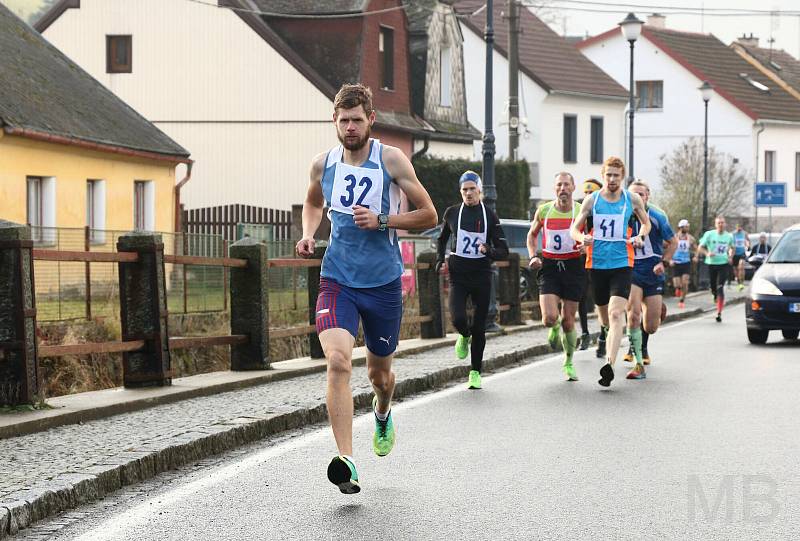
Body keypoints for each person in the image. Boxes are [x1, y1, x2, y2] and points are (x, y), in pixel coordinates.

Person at [296, 84, 437, 494]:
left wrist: (383, 220)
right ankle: (347, 460)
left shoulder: (391, 159)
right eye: (344, 121)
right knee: (338, 361)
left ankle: (382, 410)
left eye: (357, 119)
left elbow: (427, 214)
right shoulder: (323, 165)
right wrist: (309, 233)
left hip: (383, 283)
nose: (351, 127)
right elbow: (312, 201)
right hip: (337, 278)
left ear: (370, 120)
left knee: (380, 374)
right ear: (334, 122)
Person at [570, 157, 650, 387]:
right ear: (603, 175)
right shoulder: (592, 200)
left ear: (622, 176)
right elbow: (574, 228)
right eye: (609, 175)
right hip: (596, 265)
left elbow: (646, 224)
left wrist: (640, 236)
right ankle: (607, 334)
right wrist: (581, 237)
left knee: (617, 314)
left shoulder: (631, 199)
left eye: (616, 175)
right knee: (604, 317)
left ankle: (609, 364)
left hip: (622, 263)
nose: (612, 179)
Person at [436, 171, 508, 390]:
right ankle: (463, 336)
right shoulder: (452, 213)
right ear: (461, 191)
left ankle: (475, 372)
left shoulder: (490, 216)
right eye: (464, 190)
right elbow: (442, 240)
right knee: (457, 318)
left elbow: (503, 250)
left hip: (481, 275)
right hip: (458, 275)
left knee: (479, 326)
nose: (468, 193)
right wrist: (440, 260)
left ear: (480, 191)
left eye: (472, 189)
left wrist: (489, 251)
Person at [528, 172, 586, 381]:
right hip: (550, 266)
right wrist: (533, 255)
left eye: (566, 185)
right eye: (559, 185)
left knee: (569, 321)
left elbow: (591, 236)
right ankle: (553, 329)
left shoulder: (581, 211)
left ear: (573, 187)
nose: (563, 188)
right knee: (549, 318)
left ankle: (569, 362)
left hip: (573, 267)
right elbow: (532, 235)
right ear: (555, 189)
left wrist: (586, 248)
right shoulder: (544, 210)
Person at [621, 180, 676, 379]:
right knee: (633, 313)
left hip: (653, 271)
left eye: (641, 195)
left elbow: (673, 242)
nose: (637, 198)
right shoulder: (624, 215)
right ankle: (636, 353)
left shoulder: (658, 217)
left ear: (647, 196)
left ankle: (643, 343)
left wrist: (664, 262)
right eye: (633, 194)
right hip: (632, 268)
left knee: (651, 326)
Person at [695, 216, 734, 323]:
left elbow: (732, 247)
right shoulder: (709, 234)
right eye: (719, 223)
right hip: (711, 263)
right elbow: (700, 247)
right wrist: (707, 253)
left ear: (725, 224)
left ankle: (719, 312)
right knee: (713, 287)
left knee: (720, 287)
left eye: (722, 223)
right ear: (716, 224)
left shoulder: (729, 236)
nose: (721, 225)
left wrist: (730, 256)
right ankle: (714, 294)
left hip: (724, 263)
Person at [578, 179, 602, 351]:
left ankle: (604, 333)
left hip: (601, 260)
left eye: (591, 193)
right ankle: (585, 333)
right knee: (581, 296)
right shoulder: (580, 211)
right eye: (585, 193)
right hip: (582, 260)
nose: (587, 196)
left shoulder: (604, 212)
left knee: (601, 298)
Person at [670, 219, 696, 309]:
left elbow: (696, 248)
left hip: (686, 262)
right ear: (681, 227)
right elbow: (668, 248)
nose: (688, 228)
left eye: (688, 226)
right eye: (686, 226)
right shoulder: (674, 237)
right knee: (676, 284)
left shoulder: (690, 238)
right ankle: (678, 289)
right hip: (676, 262)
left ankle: (682, 300)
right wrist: (669, 260)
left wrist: (695, 256)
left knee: (685, 282)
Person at [732, 224, 750, 291]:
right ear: (736, 227)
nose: (739, 228)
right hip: (735, 253)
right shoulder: (733, 234)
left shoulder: (744, 234)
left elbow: (748, 241)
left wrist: (748, 245)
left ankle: (742, 282)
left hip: (742, 253)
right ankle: (738, 280)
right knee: (735, 269)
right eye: (738, 227)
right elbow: (731, 243)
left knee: (741, 267)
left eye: (740, 227)